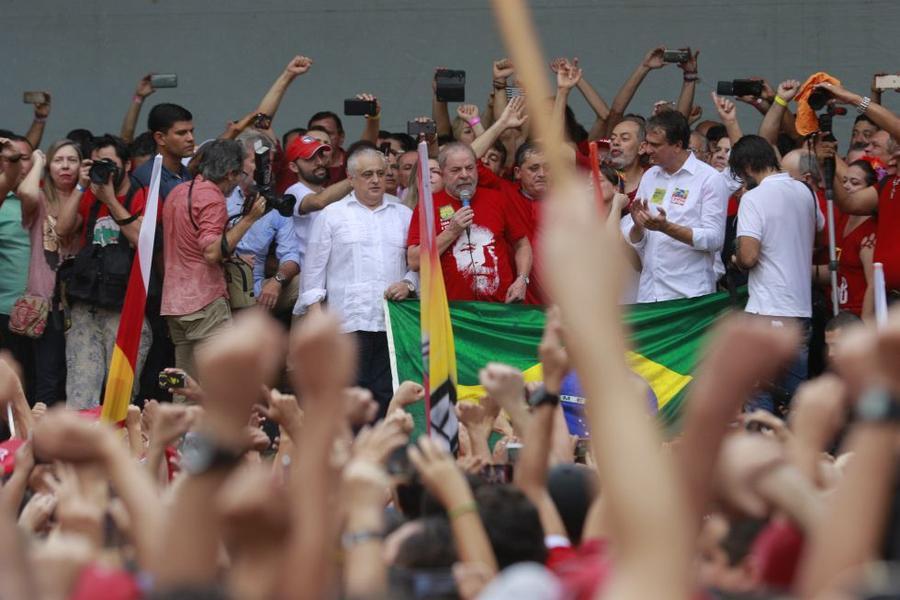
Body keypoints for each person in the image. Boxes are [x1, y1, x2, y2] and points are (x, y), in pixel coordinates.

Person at [296, 148, 416, 416]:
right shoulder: (331, 215)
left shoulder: (403, 215)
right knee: (350, 395)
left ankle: (384, 452)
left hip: (392, 323)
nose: (375, 180)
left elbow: (418, 264)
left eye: (381, 174)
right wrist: (317, 321)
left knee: (388, 394)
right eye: (367, 174)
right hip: (346, 323)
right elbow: (312, 274)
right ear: (351, 179)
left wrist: (408, 284)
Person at [54, 134, 152, 409]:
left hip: (125, 308)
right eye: (97, 163)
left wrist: (111, 200)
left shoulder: (139, 194)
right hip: (87, 304)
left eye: (109, 163)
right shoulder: (90, 194)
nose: (103, 169)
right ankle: (81, 448)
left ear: (128, 165)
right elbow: (62, 230)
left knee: (120, 396)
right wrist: (81, 187)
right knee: (80, 391)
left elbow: (139, 239)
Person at [730, 135, 824, 412]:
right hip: (801, 310)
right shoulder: (805, 191)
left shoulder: (754, 198)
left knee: (758, 394)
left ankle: (765, 452)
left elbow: (749, 257)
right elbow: (818, 228)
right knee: (795, 401)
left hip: (767, 309)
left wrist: (735, 258)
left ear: (747, 167)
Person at [160, 140, 266, 387]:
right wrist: (249, 220)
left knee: (183, 385)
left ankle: (176, 426)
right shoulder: (212, 197)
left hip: (174, 304)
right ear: (230, 173)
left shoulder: (178, 191)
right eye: (240, 173)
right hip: (204, 302)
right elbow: (211, 251)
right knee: (223, 383)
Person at [622, 110, 730, 302]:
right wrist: (638, 225)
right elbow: (639, 241)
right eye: (647, 143)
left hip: (688, 296)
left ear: (678, 145)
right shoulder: (650, 176)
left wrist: (667, 228)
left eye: (655, 145)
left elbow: (714, 240)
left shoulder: (709, 179)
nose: (647, 150)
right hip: (649, 294)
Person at [406, 142, 532, 303]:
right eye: (456, 170)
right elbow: (415, 261)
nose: (464, 174)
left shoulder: (497, 199)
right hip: (453, 313)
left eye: (469, 168)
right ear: (443, 173)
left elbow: (522, 244)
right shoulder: (427, 206)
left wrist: (522, 279)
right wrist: (451, 232)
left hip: (500, 308)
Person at [15, 139, 85, 406]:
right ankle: (41, 442)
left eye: (72, 160)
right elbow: (27, 194)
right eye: (59, 160)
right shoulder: (41, 198)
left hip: (81, 301)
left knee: (78, 377)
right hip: (46, 304)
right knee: (48, 378)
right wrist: (38, 162)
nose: (65, 167)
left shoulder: (88, 197)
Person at [225, 132, 300, 317]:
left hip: (256, 289)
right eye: (258, 162)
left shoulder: (276, 204)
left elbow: (291, 255)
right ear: (238, 163)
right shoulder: (222, 194)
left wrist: (277, 280)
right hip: (222, 283)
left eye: (269, 162)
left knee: (305, 284)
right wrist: (232, 257)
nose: (266, 169)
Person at [283, 134, 353, 272]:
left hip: (334, 272)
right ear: (293, 167)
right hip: (307, 275)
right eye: (310, 159)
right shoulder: (293, 191)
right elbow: (318, 202)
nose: (319, 162)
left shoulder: (328, 191)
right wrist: (357, 176)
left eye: (321, 155)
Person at [0, 135, 35, 399]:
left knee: (34, 383)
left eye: (27, 158)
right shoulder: (4, 199)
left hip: (40, 312)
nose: (22, 165)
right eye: (16, 159)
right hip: (4, 307)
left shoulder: (45, 197)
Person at [132, 103, 195, 198]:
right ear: (160, 138)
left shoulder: (186, 173)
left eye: (191, 131)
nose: (191, 138)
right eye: (181, 133)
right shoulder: (147, 178)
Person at [307, 110, 347, 184]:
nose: (323, 137)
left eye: (328, 133)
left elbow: (366, 144)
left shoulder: (352, 162)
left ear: (341, 137)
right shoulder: (300, 166)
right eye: (317, 133)